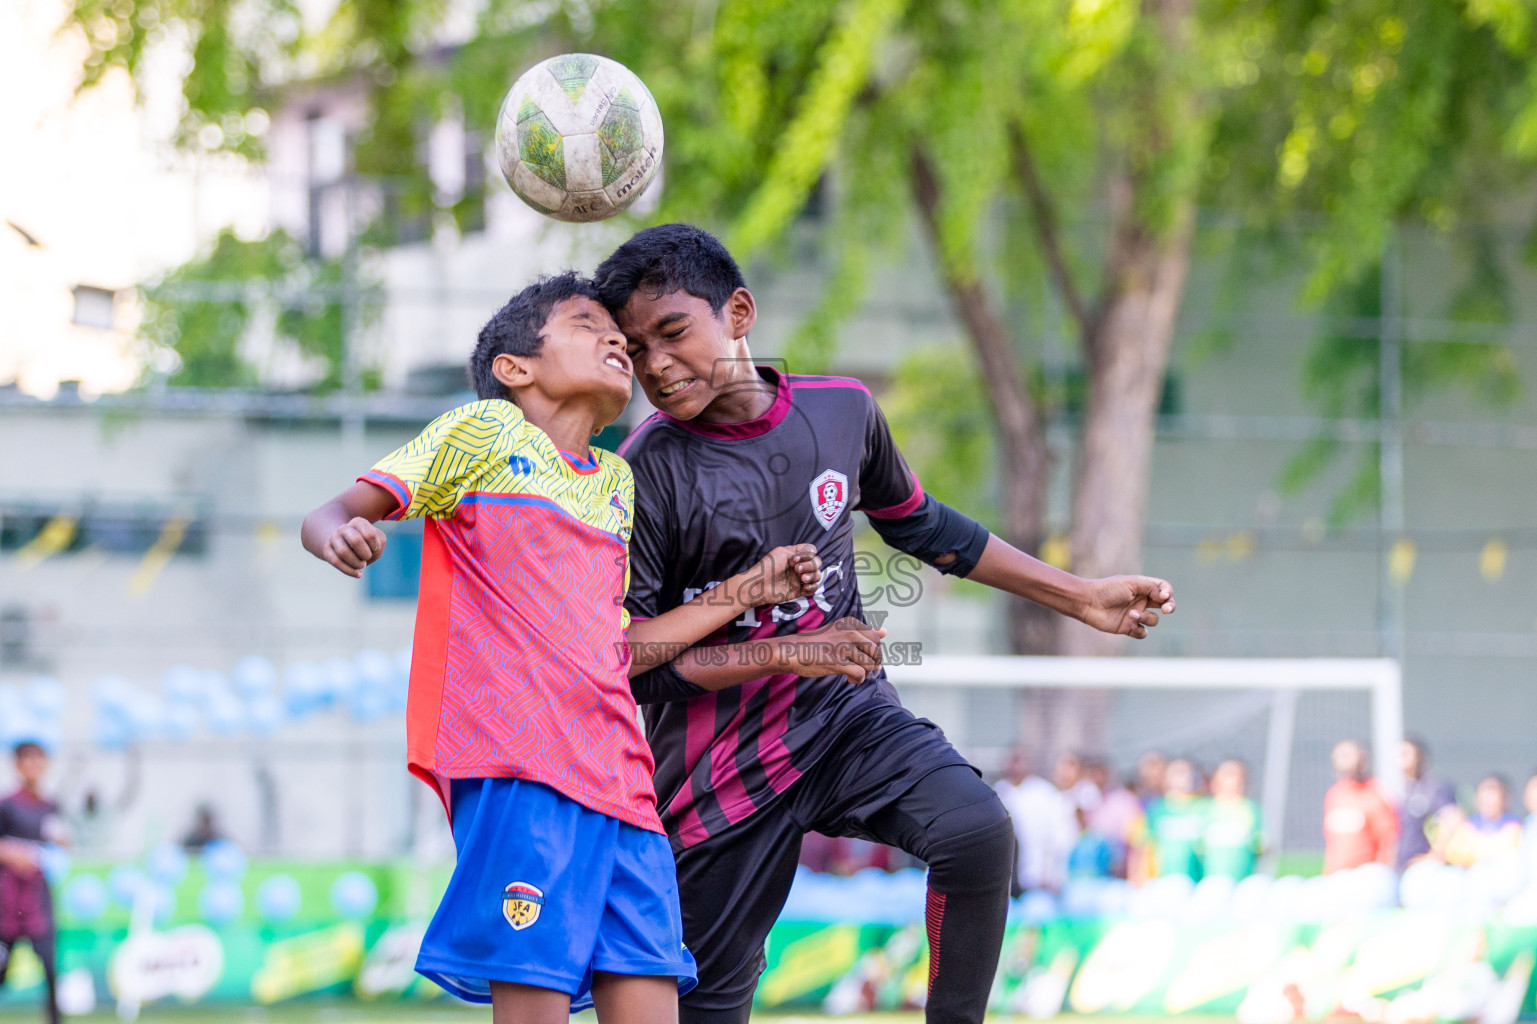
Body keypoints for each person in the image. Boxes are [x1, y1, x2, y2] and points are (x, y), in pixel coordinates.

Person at [595, 224, 1177, 1024]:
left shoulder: (842, 411)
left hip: (846, 721)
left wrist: (1077, 596)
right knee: (708, 1006)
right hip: (715, 774)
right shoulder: (642, 468)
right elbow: (639, 664)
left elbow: (923, 525)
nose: (656, 365)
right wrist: (792, 650)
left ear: (737, 311)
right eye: (635, 348)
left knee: (975, 833)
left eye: (671, 332)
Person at [300, 273, 828, 1024]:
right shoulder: (481, 433)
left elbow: (618, 647)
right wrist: (340, 534)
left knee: (650, 999)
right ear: (515, 369)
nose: (617, 338)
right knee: (535, 1005)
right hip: (521, 764)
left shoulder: (616, 481)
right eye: (587, 324)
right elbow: (330, 511)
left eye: (617, 331)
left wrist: (750, 589)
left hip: (624, 783)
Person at [0, 742, 68, 1024]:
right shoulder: (7, 806)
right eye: (28, 761)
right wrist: (14, 855)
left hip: (39, 901)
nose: (34, 767)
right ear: (17, 765)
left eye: (39, 761)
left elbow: (59, 846)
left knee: (51, 970)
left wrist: (62, 842)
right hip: (7, 902)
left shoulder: (52, 805)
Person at [994, 749, 1076, 895]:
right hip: (1004, 882)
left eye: (1019, 761)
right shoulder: (999, 791)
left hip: (1039, 881)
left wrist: (1053, 876)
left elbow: (1061, 838)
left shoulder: (1044, 793)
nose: (1015, 767)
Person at [1322, 740, 1398, 873]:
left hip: (1364, 877)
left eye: (1348, 756)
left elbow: (1388, 840)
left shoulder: (1374, 793)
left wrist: (1381, 872)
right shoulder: (1334, 794)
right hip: (1337, 876)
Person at [1139, 758, 1207, 882]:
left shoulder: (1203, 808)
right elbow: (1145, 848)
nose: (1183, 778)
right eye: (1177, 773)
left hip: (1195, 883)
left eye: (1187, 772)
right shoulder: (1157, 809)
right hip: (1162, 881)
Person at [1397, 738, 1455, 871]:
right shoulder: (1406, 789)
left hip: (1424, 871)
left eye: (1405, 753)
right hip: (1403, 868)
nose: (1400, 759)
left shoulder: (1432, 787)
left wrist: (1436, 855)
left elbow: (1454, 818)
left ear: (1418, 756)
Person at [1442, 775, 1522, 867]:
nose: (1488, 799)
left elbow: (1509, 852)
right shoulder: (1468, 825)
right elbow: (1454, 855)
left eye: (1493, 792)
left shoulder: (1514, 825)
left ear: (1504, 798)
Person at [1202, 759, 1262, 880]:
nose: (1232, 779)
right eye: (1227, 774)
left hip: (1242, 880)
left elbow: (1260, 846)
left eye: (1235, 774)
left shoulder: (1250, 809)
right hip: (1211, 881)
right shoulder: (1204, 810)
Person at [1084, 759, 1143, 879]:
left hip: (1122, 872)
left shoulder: (1123, 800)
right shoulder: (1087, 802)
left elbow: (1135, 839)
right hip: (1096, 874)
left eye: (1100, 774)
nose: (1097, 778)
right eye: (1093, 775)